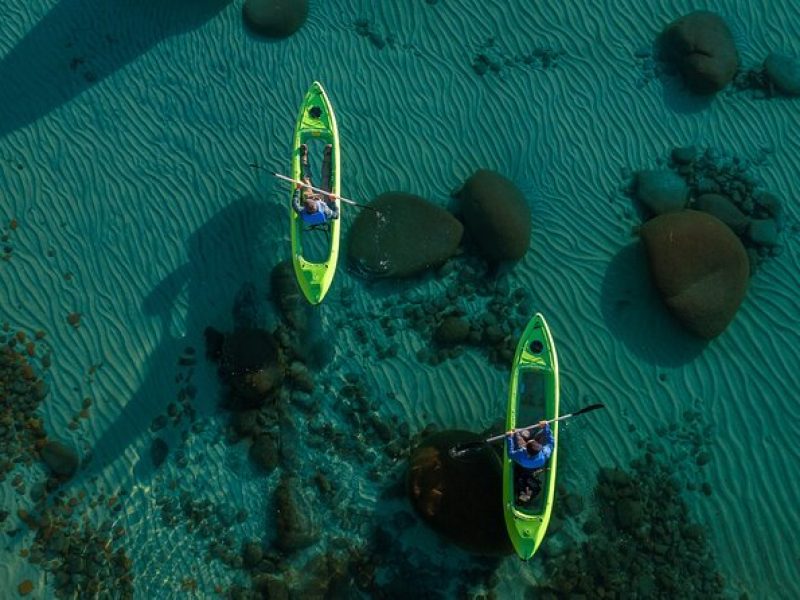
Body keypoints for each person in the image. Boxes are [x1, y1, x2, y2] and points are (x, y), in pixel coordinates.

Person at [506, 420, 554, 504]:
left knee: (515, 432)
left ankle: (523, 433)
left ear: (526, 450)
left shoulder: (521, 455)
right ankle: (536, 431)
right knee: (544, 433)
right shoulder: (545, 453)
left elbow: (510, 454)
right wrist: (546, 426)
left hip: (524, 467)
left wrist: (509, 438)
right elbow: (551, 443)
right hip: (536, 466)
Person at [292, 143, 339, 226]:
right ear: (316, 205)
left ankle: (304, 157)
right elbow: (336, 215)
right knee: (325, 178)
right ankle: (327, 156)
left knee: (306, 178)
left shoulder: (301, 211)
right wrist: (333, 201)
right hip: (323, 200)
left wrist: (298, 189)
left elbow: (294, 203)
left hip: (309, 195)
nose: (314, 199)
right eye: (313, 200)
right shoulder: (325, 211)